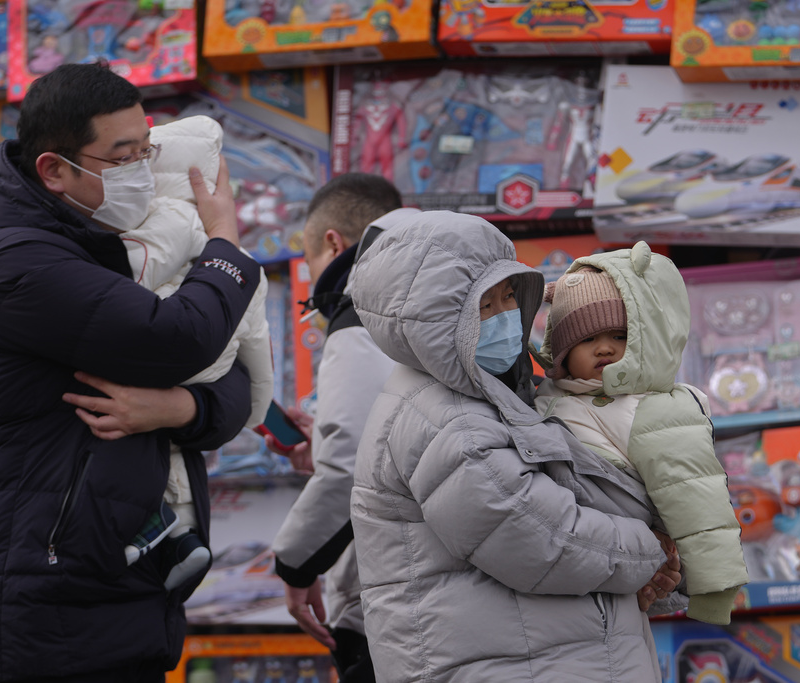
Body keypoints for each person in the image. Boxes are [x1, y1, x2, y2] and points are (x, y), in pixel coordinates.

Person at [0, 63, 260, 683]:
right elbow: (180, 341)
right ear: (54, 170)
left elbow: (235, 378)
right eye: (123, 158)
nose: (144, 169)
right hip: (36, 609)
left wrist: (183, 410)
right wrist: (223, 242)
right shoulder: (19, 260)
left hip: (118, 589)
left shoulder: (123, 247)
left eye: (148, 150)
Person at [348, 210, 682, 682]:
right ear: (434, 320)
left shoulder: (493, 393)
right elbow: (541, 536)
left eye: (508, 295)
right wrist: (651, 552)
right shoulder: (444, 418)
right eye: (483, 307)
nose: (506, 316)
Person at [533, 241, 748, 625]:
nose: (604, 348)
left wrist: (713, 589)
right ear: (562, 353)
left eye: (619, 336)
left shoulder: (655, 407)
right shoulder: (550, 396)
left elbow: (698, 502)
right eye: (585, 339)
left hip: (633, 559)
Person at [268, 172, 415, 682]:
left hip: (399, 601)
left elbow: (352, 464)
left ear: (333, 243)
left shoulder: (360, 317)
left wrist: (295, 565)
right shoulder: (451, 302)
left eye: (310, 263)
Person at [117, 114, 274, 590]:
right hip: (215, 362)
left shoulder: (155, 221)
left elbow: (136, 271)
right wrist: (260, 404)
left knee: (146, 440)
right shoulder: (229, 250)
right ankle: (179, 537)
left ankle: (159, 529)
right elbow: (257, 338)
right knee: (170, 446)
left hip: (161, 350)